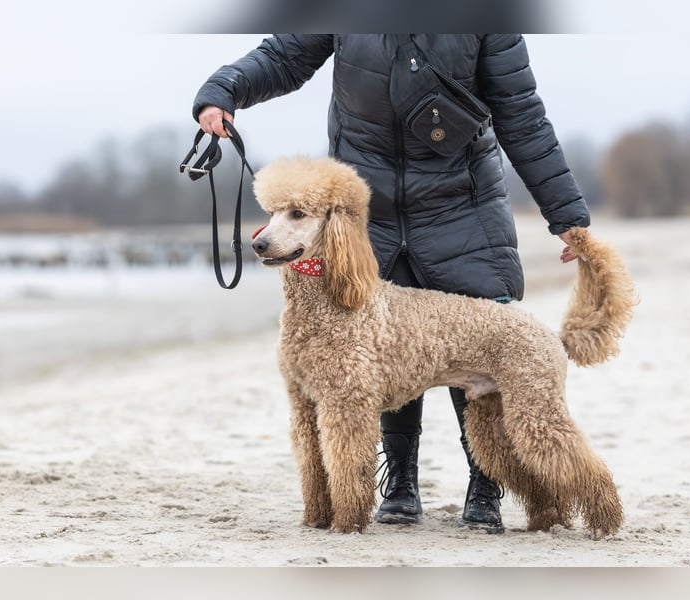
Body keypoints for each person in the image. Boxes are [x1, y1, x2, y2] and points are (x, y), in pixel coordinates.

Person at [193, 34, 589, 533]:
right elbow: (285, 56)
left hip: (461, 203)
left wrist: (566, 214)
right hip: (365, 208)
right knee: (375, 350)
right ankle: (400, 481)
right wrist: (223, 90)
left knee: (482, 337)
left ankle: (484, 485)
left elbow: (522, 114)